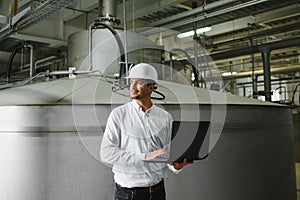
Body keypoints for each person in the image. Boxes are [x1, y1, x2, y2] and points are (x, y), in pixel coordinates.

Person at [100, 63, 193, 200]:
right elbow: (106, 153)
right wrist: (145, 157)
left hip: (157, 191)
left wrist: (175, 165)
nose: (132, 87)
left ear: (151, 87)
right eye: (131, 82)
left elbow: (165, 151)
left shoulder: (164, 117)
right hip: (128, 194)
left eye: (139, 83)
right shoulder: (119, 115)